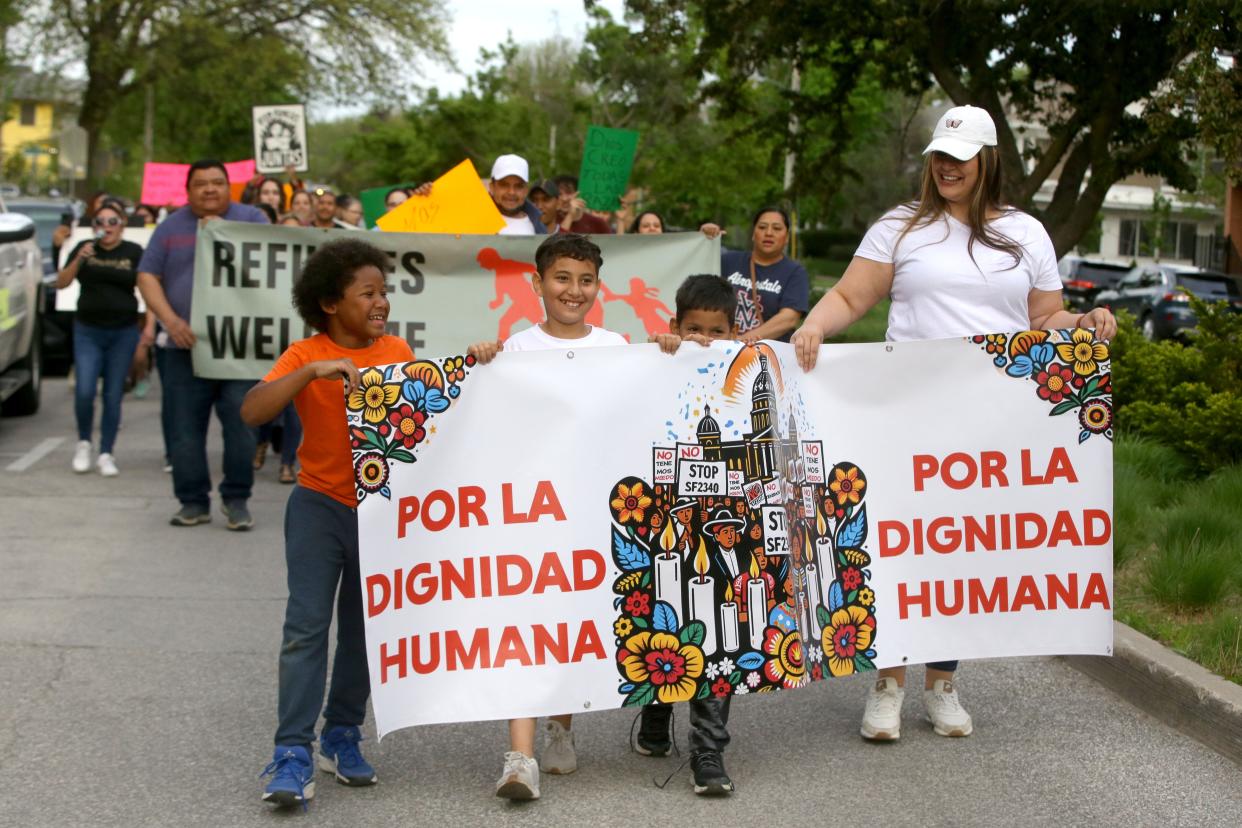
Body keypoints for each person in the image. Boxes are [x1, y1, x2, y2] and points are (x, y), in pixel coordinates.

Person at [790, 104, 1117, 742]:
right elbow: (853, 296)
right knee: (896, 545)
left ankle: (943, 683)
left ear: (987, 162)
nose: (946, 168)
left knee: (959, 550)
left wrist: (1082, 324)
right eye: (939, 156)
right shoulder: (901, 227)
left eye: (960, 160)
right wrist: (813, 326)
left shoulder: (1026, 232)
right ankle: (888, 683)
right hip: (904, 414)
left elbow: (1043, 317)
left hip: (987, 420)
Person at [242, 238, 414, 809]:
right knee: (306, 628)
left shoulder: (395, 350)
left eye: (383, 291)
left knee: (364, 631)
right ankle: (292, 750)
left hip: (378, 511)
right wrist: (313, 371)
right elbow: (253, 411)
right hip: (317, 505)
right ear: (329, 304)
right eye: (368, 293)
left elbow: (430, 419)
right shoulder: (304, 354)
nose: (381, 302)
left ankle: (342, 736)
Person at [468, 234, 626, 801]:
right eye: (561, 278)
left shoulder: (616, 346)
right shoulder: (512, 351)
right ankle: (520, 757)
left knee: (573, 623)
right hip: (530, 515)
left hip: (590, 512)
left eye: (585, 281)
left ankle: (563, 725)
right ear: (537, 284)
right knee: (525, 624)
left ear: (597, 287)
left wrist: (663, 351)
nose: (573, 291)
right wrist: (482, 365)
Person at [642, 273, 740, 795]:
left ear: (735, 330)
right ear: (674, 326)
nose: (705, 340)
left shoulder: (749, 375)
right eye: (693, 328)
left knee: (719, 626)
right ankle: (656, 714)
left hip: (721, 522)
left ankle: (708, 748)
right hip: (664, 517)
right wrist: (662, 351)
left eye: (717, 331)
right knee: (660, 612)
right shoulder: (657, 363)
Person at [136, 159, 270, 529]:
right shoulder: (170, 228)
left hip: (237, 351)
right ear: (188, 190)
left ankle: (237, 498)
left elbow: (276, 262)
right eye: (201, 184)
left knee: (242, 426)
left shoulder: (253, 220)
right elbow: (147, 275)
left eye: (217, 183)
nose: (209, 189)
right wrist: (171, 320)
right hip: (183, 350)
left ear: (230, 187)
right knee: (183, 430)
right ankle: (193, 502)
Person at [57, 198, 145, 477]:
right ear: (93, 226)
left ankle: (106, 452)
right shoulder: (84, 250)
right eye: (100, 222)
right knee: (84, 390)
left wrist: (149, 330)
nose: (106, 227)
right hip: (88, 330)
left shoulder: (134, 251)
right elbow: (61, 282)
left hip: (123, 331)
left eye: (112, 222)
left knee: (112, 393)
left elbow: (149, 286)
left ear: (122, 226)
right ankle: (84, 442)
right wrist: (79, 258)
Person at [701, 207, 809, 343]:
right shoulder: (728, 261)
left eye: (777, 228)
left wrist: (741, 341)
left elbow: (788, 319)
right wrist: (704, 239)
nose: (769, 233)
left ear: (787, 237)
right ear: (753, 234)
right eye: (762, 227)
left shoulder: (795, 273)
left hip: (767, 357)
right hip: (722, 352)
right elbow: (699, 286)